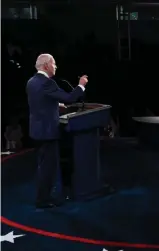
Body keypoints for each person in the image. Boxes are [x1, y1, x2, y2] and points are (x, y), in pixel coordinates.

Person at [26, 53, 88, 208]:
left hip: (36, 131)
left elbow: (40, 101)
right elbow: (70, 98)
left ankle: (42, 196)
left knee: (43, 165)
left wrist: (55, 105)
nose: (55, 67)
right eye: (54, 64)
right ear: (46, 65)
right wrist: (81, 85)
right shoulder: (48, 83)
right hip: (47, 131)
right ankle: (43, 200)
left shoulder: (31, 82)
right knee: (49, 167)